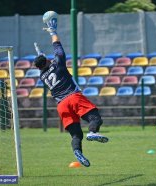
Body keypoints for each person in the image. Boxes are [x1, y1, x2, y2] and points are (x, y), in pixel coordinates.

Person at [33, 12, 109, 167]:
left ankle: (78, 152)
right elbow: (58, 48)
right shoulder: (58, 64)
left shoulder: (42, 76)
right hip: (73, 97)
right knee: (95, 118)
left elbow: (44, 67)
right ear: (47, 60)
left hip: (61, 105)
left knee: (76, 134)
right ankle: (93, 132)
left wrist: (42, 59)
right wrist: (53, 33)